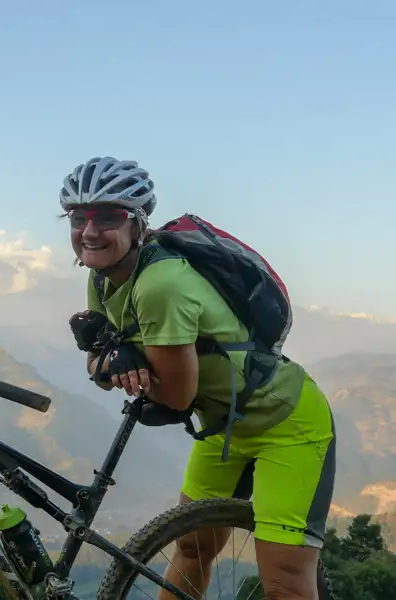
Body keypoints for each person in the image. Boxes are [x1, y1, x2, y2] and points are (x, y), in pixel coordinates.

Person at [63, 156, 336, 600]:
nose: (90, 231)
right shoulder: (101, 279)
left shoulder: (160, 285)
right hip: (220, 423)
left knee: (284, 578)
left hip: (286, 425)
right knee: (191, 548)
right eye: (79, 217)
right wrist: (112, 359)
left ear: (138, 225)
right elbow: (99, 363)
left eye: (109, 216)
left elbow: (174, 396)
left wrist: (113, 362)